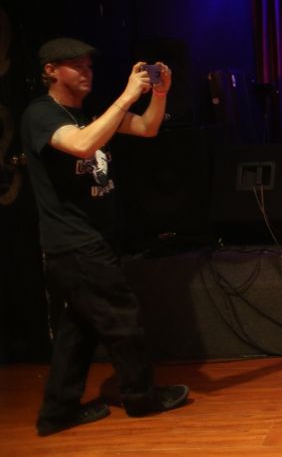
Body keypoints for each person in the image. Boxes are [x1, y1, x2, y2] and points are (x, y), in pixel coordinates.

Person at [21, 37, 190, 436]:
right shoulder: (40, 114)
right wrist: (127, 95)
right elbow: (82, 145)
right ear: (50, 71)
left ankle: (57, 411)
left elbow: (147, 127)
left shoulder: (90, 112)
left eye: (89, 65)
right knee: (122, 320)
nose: (86, 72)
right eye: (76, 66)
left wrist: (158, 94)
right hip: (74, 242)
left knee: (78, 328)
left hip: (94, 239)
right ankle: (141, 397)